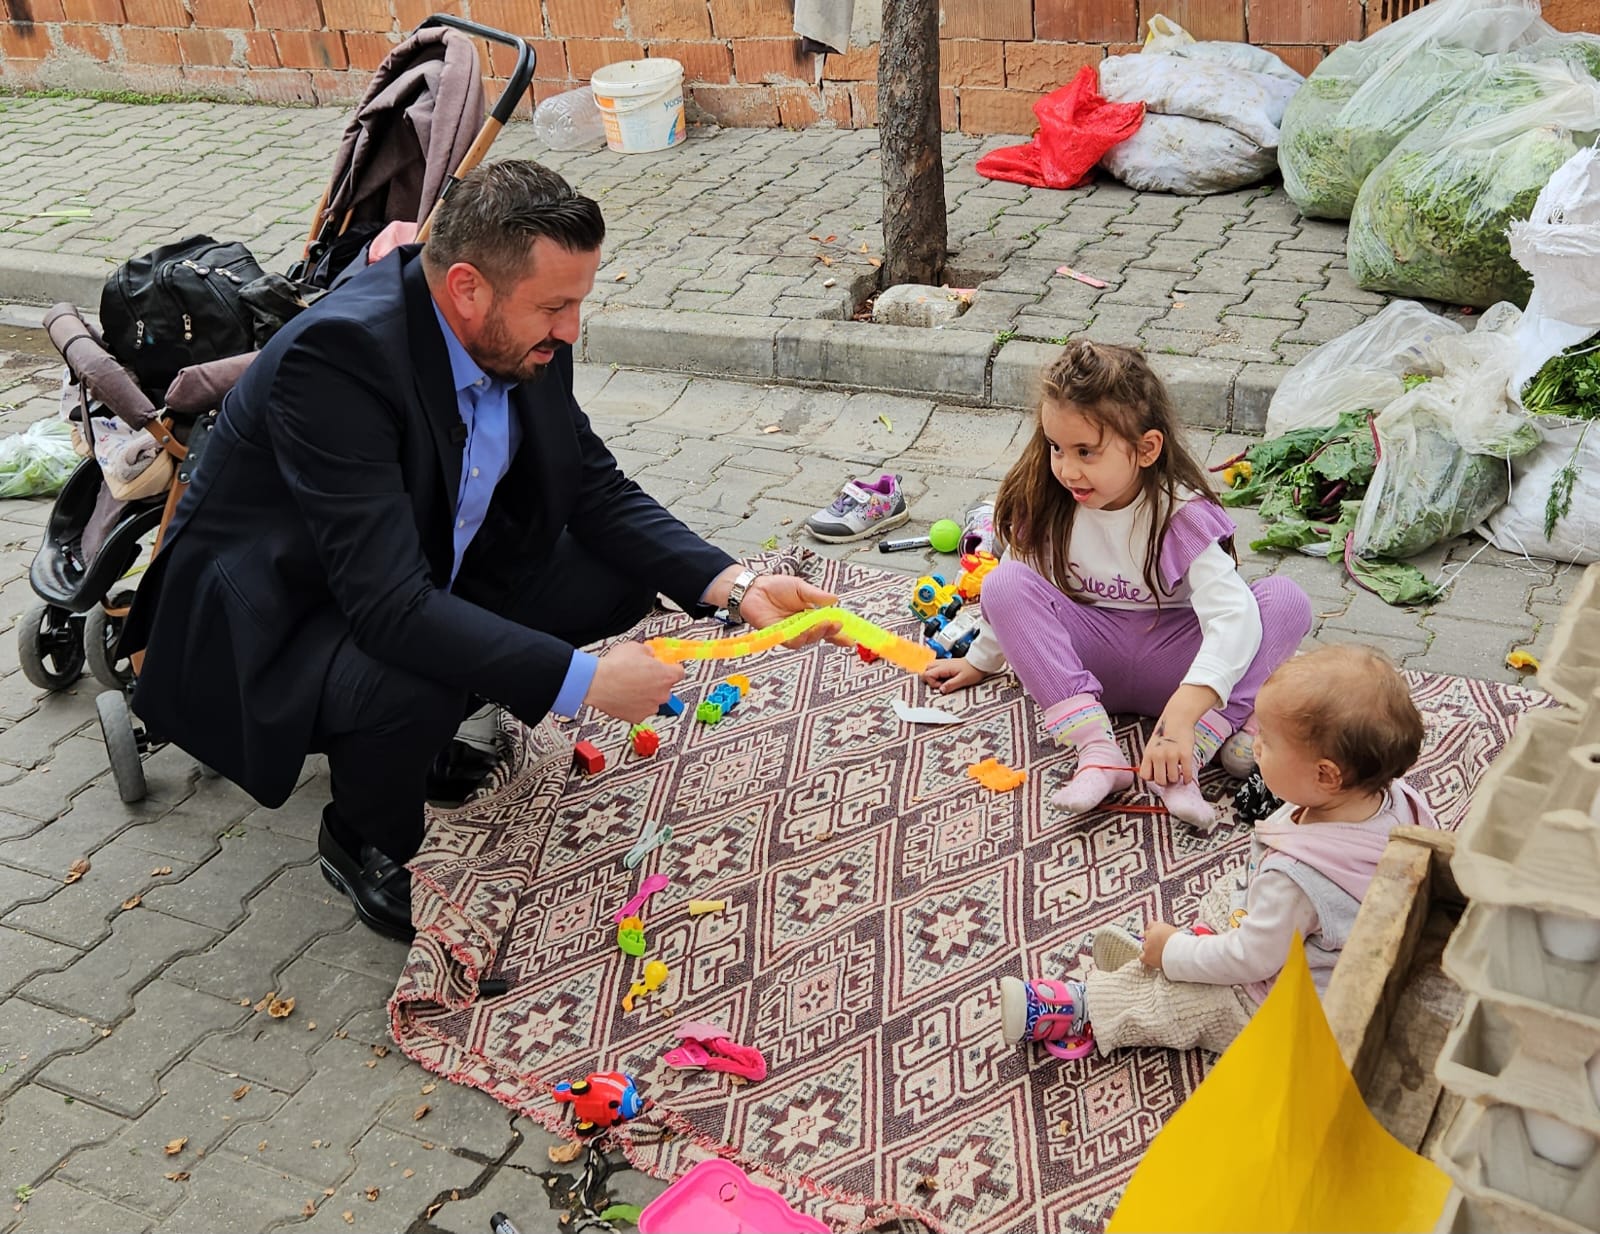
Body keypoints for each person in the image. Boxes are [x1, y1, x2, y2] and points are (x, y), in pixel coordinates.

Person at [120, 160, 838, 941]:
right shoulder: (336, 362)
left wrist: (735, 586)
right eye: (556, 306)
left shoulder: (514, 333)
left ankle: (414, 740)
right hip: (281, 620)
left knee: (610, 574)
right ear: (467, 287)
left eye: (578, 304)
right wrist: (586, 683)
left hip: (409, 570)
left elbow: (594, 486)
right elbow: (389, 608)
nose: (570, 332)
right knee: (412, 672)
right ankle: (363, 834)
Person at [922, 341, 1312, 828]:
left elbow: (1232, 620)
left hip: (1178, 668)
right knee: (1004, 583)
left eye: (1086, 451)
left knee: (1284, 601)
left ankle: (1188, 755)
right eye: (1056, 447)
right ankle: (1097, 750)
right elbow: (1017, 593)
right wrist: (982, 660)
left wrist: (1183, 717)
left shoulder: (1179, 513)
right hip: (1091, 661)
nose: (1066, 468)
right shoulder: (1048, 498)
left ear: (1147, 448)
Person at [998, 644, 1438, 1060]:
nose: (1257, 746)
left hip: (1303, 1009)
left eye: (1268, 739)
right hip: (1344, 955)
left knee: (1189, 1003)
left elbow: (1251, 962)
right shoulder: (1400, 799)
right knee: (1235, 899)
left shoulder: (1299, 879)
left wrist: (1174, 955)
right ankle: (1187, 949)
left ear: (1326, 775)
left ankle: (1087, 1006)